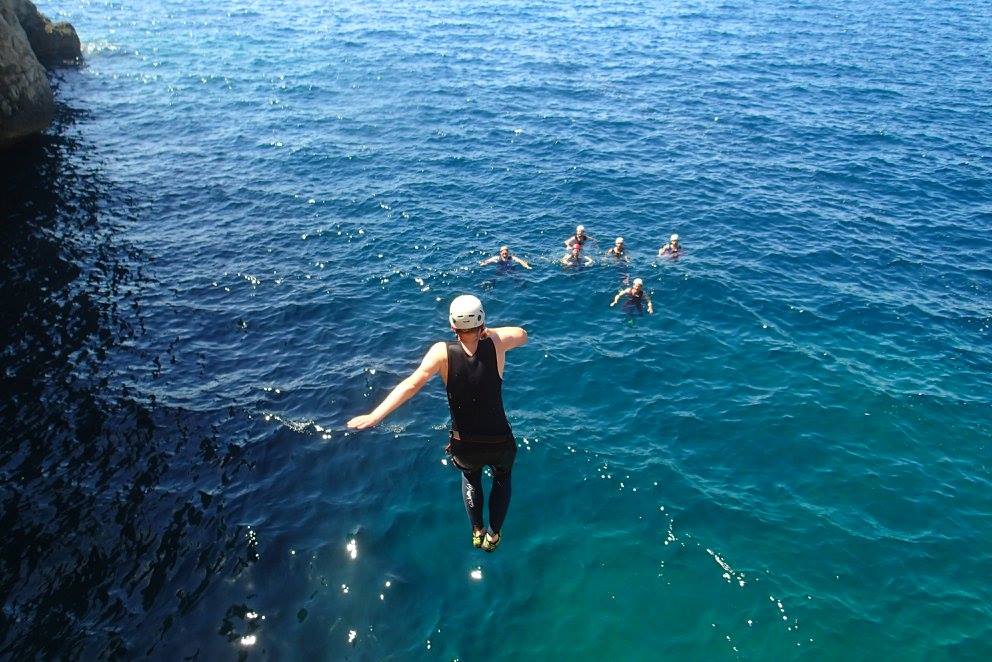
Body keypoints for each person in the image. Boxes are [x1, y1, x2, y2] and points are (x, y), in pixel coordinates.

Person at [346, 295, 527, 552]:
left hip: (465, 444)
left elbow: (410, 384)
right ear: (482, 321)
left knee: (470, 477)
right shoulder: (496, 342)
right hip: (499, 441)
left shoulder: (441, 353)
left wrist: (375, 416)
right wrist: (487, 331)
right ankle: (494, 535)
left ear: (452, 326)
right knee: (502, 478)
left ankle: (476, 530)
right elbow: (522, 334)